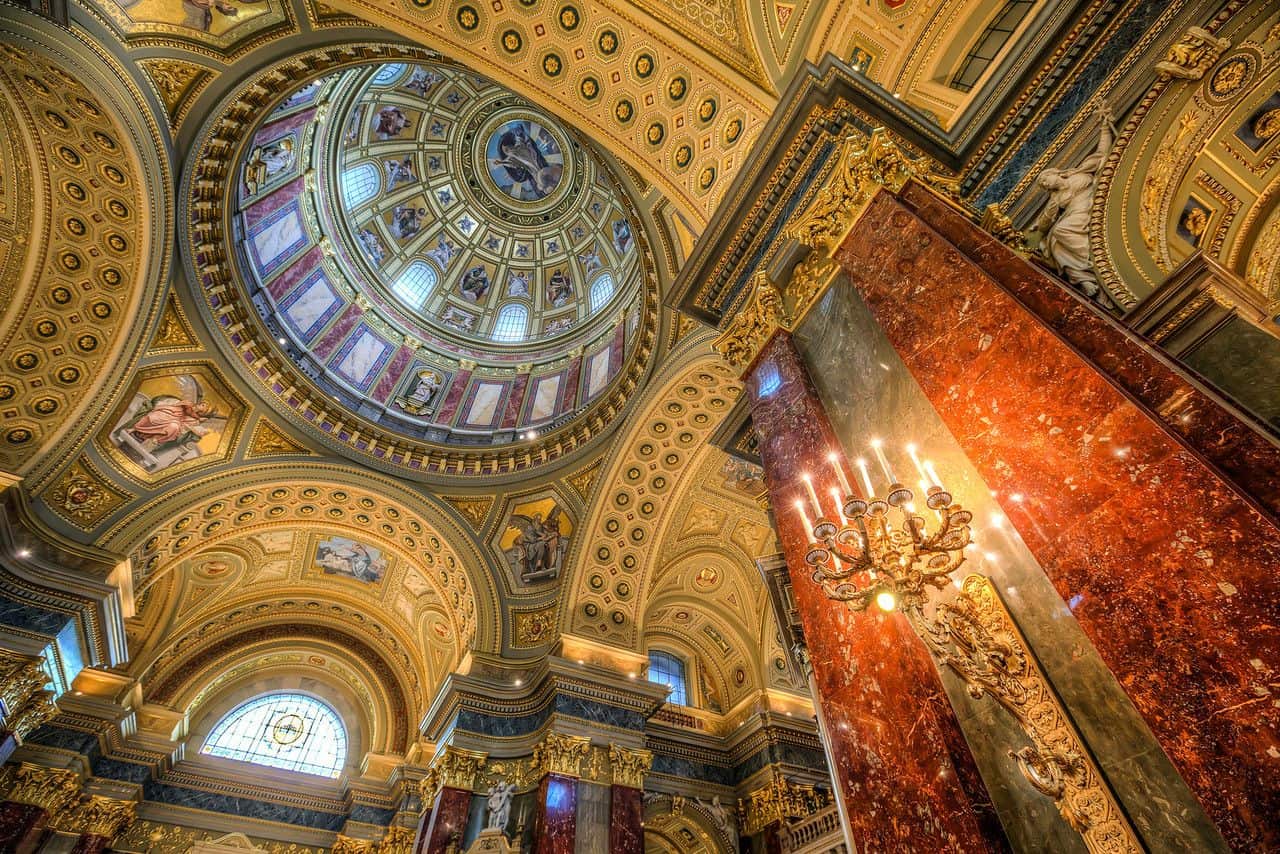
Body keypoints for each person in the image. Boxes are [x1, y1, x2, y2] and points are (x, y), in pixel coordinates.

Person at [1029, 102, 1114, 297]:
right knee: (1055, 239)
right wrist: (1038, 225)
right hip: (1076, 213)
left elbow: (1101, 154)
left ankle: (1095, 259)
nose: (1045, 183)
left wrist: (1104, 127)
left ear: (1054, 173)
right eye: (1043, 184)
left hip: (1093, 204)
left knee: (1061, 230)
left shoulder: (1077, 174)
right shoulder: (1056, 200)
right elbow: (1044, 225)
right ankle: (1086, 275)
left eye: (1045, 178)